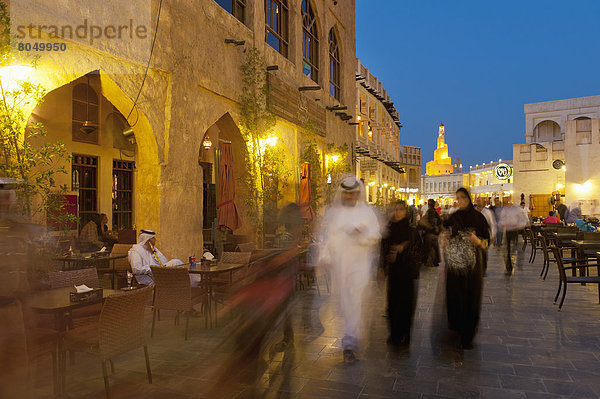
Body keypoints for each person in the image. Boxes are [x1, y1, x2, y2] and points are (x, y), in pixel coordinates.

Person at [318, 176, 381, 364]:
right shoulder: (334, 213)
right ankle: (351, 336)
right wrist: (325, 256)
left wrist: (361, 234)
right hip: (341, 266)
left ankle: (349, 342)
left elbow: (375, 235)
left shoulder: (367, 213)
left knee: (355, 300)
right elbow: (328, 237)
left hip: (359, 266)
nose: (349, 197)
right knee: (346, 304)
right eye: (346, 193)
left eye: (352, 194)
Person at [442, 188, 489, 349]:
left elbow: (486, 243)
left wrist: (477, 241)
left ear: (469, 199)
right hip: (455, 266)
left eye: (463, 198)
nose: (460, 201)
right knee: (455, 297)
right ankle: (457, 331)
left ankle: (468, 335)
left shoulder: (478, 218)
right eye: (458, 198)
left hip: (473, 267)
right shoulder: (453, 217)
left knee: (470, 298)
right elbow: (444, 232)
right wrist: (445, 238)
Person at [380, 200, 421, 347]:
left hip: (407, 273)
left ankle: (404, 335)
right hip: (393, 273)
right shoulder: (389, 229)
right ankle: (394, 334)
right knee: (392, 305)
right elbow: (383, 247)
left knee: (405, 305)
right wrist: (383, 264)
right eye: (395, 209)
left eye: (400, 210)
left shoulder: (410, 229)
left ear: (406, 212)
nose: (397, 212)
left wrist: (402, 250)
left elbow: (418, 249)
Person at [128, 230, 193, 285]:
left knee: (176, 262)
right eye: (153, 238)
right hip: (148, 277)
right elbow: (136, 269)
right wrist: (154, 268)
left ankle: (192, 283)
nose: (155, 240)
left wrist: (154, 254)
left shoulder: (152, 249)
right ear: (148, 240)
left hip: (159, 272)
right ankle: (192, 283)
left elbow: (164, 262)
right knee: (176, 269)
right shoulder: (136, 250)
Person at [498, 199, 528, 274]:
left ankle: (517, 263)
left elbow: (524, 219)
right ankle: (509, 267)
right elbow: (501, 220)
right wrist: (503, 224)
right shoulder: (504, 210)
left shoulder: (517, 210)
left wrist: (519, 225)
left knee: (515, 248)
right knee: (507, 250)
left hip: (515, 231)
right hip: (507, 231)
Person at [475, 197, 496, 272]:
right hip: (475, 235)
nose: (479, 202)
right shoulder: (473, 212)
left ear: (484, 203)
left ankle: (483, 268)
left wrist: (493, 235)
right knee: (475, 252)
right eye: (478, 201)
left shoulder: (488, 212)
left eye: (480, 201)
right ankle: (476, 269)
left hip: (484, 235)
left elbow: (492, 224)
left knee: (483, 251)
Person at [419, 199, 442, 267]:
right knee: (433, 247)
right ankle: (432, 262)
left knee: (430, 248)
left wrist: (432, 227)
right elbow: (439, 220)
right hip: (433, 232)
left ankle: (430, 262)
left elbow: (425, 221)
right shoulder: (433, 211)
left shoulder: (431, 211)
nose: (429, 205)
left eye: (430, 203)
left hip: (430, 232)